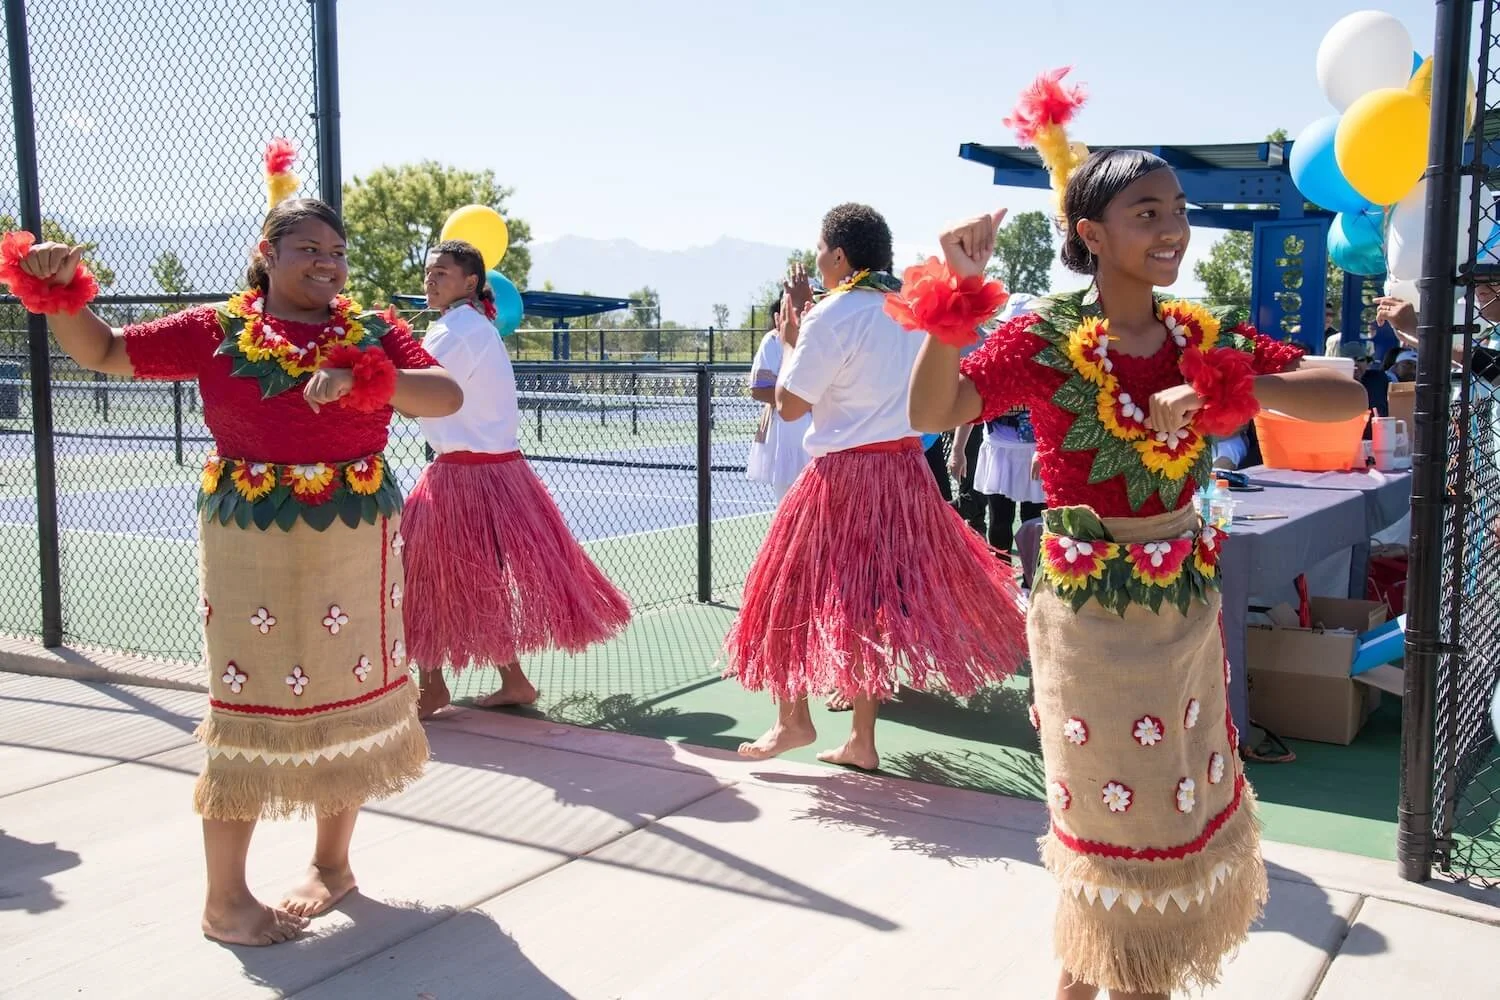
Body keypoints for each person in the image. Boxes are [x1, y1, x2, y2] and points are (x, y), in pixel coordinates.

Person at [900, 70, 1369, 1000]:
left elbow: (1344, 395)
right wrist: (955, 296)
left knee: (1173, 808)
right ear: (1091, 234)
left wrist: (1234, 387)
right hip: (1087, 622)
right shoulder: (1046, 339)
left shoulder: (1202, 335)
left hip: (1183, 616)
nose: (1173, 230)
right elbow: (933, 409)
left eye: (1179, 211)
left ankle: (1103, 981)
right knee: (1110, 821)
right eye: (1147, 213)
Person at [0, 143, 465, 946]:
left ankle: (332, 864)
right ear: (267, 254)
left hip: (357, 536)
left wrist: (368, 378)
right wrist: (59, 292)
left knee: (350, 698)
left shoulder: (373, 330)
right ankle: (226, 902)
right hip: (251, 541)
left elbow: (447, 395)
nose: (327, 263)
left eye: (337, 251)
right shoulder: (218, 328)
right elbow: (105, 351)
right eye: (308, 248)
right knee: (248, 706)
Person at [724, 202, 1026, 771]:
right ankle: (861, 740)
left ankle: (793, 721)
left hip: (841, 477)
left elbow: (790, 407)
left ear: (839, 256)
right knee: (866, 602)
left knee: (782, 589)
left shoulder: (831, 314)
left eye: (820, 250)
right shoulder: (912, 310)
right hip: (906, 473)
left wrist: (789, 340)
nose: (818, 260)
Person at [402, 239, 631, 719]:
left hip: (466, 476)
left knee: (423, 575)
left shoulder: (456, 331)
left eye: (441, 273)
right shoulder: (473, 326)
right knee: (476, 578)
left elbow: (413, 396)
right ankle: (510, 681)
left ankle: (434, 687)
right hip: (493, 475)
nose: (430, 280)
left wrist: (363, 372)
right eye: (428, 272)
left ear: (470, 282)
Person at [746, 291, 812, 502]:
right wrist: (799, 399)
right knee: (788, 502)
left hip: (820, 438)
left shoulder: (820, 336)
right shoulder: (772, 341)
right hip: (785, 437)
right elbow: (758, 389)